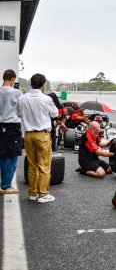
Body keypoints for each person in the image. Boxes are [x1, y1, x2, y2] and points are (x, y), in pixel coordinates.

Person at [17, 73, 58, 203]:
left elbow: (18, 113)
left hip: (28, 135)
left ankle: (32, 193)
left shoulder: (22, 98)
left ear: (31, 83)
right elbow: (55, 113)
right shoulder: (46, 99)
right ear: (43, 84)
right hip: (42, 134)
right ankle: (43, 194)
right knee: (44, 166)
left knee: (32, 166)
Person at [0, 69, 22, 194]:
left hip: (0, 125)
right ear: (12, 79)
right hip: (12, 126)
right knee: (12, 155)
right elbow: (21, 109)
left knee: (2, 154)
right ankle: (6, 185)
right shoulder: (16, 92)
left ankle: (3, 183)